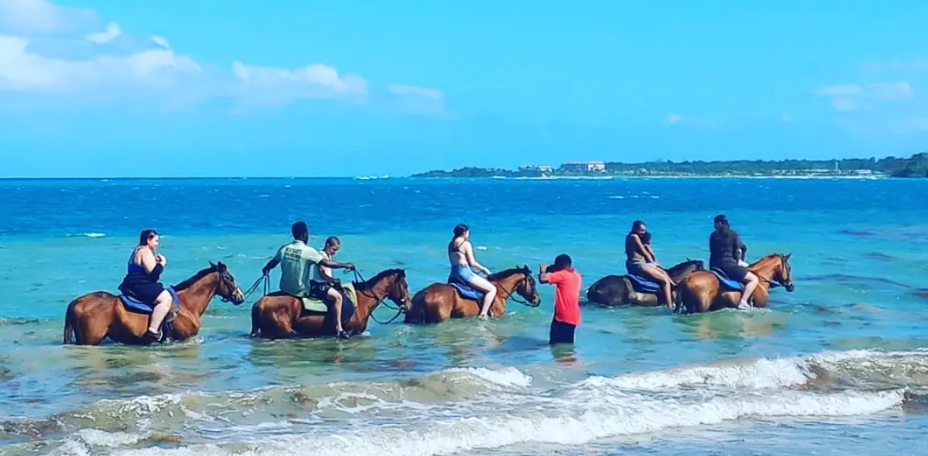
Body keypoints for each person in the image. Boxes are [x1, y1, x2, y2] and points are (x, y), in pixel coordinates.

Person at [262, 222, 356, 338]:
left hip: (284, 288)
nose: (308, 237)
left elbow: (273, 263)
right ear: (303, 236)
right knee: (338, 297)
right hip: (300, 291)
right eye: (307, 234)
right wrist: (345, 265)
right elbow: (326, 263)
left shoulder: (284, 248)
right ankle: (338, 329)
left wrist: (266, 269)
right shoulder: (308, 251)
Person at [118, 229, 172, 341]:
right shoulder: (145, 251)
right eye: (156, 241)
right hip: (139, 285)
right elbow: (153, 275)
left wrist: (155, 263)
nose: (157, 244)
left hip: (131, 283)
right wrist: (162, 264)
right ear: (148, 240)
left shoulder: (137, 249)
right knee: (166, 298)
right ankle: (153, 331)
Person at [709, 214, 759, 310]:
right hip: (729, 265)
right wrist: (739, 261)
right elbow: (739, 250)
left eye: (715, 223)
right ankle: (743, 302)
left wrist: (711, 268)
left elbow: (712, 252)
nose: (714, 225)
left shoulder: (713, 235)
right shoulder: (733, 234)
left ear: (720, 223)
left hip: (716, 266)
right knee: (754, 279)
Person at [447, 224, 496, 318]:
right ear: (464, 233)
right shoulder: (465, 244)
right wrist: (484, 269)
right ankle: (483, 313)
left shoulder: (451, 244)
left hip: (453, 274)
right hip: (464, 273)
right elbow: (472, 263)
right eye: (468, 232)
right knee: (492, 289)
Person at [625, 220, 674, 309]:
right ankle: (669, 305)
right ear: (635, 229)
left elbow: (648, 250)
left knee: (664, 273)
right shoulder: (634, 237)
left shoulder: (636, 237)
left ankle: (673, 287)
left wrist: (653, 258)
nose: (643, 232)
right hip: (637, 264)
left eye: (644, 230)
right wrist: (653, 263)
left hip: (640, 263)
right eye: (641, 230)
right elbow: (644, 252)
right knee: (664, 281)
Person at [539, 254, 582, 345]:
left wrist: (543, 270)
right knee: (567, 345)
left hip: (562, 316)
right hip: (574, 316)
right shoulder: (577, 275)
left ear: (560, 266)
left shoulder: (561, 275)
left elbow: (542, 279)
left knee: (555, 344)